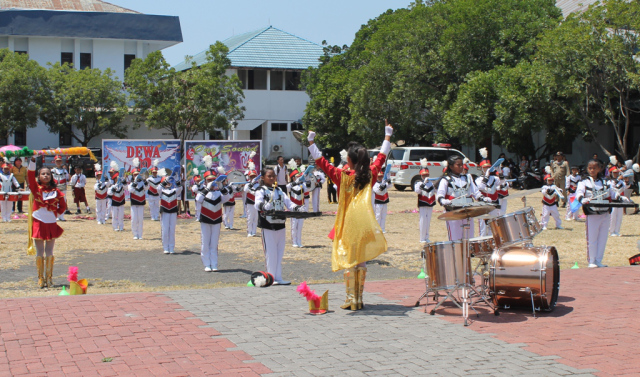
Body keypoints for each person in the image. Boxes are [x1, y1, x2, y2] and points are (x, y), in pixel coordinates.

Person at [307, 120, 392, 310]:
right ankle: (359, 299)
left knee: (348, 259)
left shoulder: (341, 175)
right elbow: (382, 157)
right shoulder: (370, 173)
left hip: (346, 224)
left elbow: (321, 162)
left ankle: (350, 298)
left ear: (350, 160)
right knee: (360, 259)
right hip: (364, 224)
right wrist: (387, 135)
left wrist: (311, 142)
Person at [254, 167, 303, 285]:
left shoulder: (279, 190)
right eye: (269, 176)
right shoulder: (261, 190)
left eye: (273, 176)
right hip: (268, 225)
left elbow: (288, 203)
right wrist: (264, 206)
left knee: (279, 252)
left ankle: (278, 277)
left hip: (280, 224)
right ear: (263, 178)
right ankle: (270, 278)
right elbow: (257, 203)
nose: (271, 178)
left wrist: (297, 208)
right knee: (270, 253)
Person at [576, 159, 625, 268]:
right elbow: (579, 193)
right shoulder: (584, 182)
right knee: (592, 238)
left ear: (600, 168)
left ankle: (598, 260)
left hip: (605, 213)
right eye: (590, 168)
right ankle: (592, 261)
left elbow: (612, 193)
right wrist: (582, 199)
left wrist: (621, 198)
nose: (592, 170)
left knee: (603, 238)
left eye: (594, 168)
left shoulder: (605, 182)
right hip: (592, 213)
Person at [27, 156, 66, 288]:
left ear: (51, 176)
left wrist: (55, 214)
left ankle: (49, 278)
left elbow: (63, 206)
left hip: (51, 223)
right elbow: (30, 175)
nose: (45, 176)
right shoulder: (36, 188)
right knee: (40, 251)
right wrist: (32, 161)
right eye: (43, 174)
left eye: (48, 174)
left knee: (49, 251)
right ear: (39, 176)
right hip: (38, 222)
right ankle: (40, 278)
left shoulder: (57, 191)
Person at [437, 155, 489, 241]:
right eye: (458, 165)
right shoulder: (445, 180)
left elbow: (476, 192)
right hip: (453, 213)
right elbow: (440, 195)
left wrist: (483, 198)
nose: (461, 167)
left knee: (469, 237)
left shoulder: (468, 178)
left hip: (468, 211)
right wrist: (444, 201)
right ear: (451, 166)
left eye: (462, 164)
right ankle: (457, 254)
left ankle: (468, 253)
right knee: (456, 238)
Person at [196, 174, 233, 271]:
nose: (212, 181)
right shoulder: (203, 192)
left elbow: (227, 198)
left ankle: (214, 263)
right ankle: (206, 264)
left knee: (214, 243)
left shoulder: (218, 193)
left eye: (213, 179)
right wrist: (207, 188)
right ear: (205, 181)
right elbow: (198, 199)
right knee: (205, 242)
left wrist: (221, 186)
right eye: (209, 180)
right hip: (205, 219)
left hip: (216, 219)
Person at [287, 169, 312, 247]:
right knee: (294, 226)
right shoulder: (291, 185)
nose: (299, 178)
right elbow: (286, 188)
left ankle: (299, 241)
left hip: (301, 207)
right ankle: (294, 241)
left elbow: (308, 189)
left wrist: (307, 180)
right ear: (293, 178)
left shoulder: (302, 185)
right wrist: (295, 183)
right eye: (297, 177)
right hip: (293, 208)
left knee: (300, 226)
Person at [475, 162, 500, 236]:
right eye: (485, 167)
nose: (487, 169)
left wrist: (500, 173)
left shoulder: (494, 178)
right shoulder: (478, 179)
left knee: (493, 227)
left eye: (488, 167)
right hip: (483, 206)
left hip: (493, 204)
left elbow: (503, 184)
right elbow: (480, 187)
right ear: (481, 168)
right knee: (483, 228)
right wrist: (486, 176)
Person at [414, 160, 435, 243]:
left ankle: (427, 236)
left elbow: (435, 190)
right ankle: (422, 238)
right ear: (421, 175)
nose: (425, 176)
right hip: (423, 203)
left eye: (426, 175)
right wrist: (423, 183)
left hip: (430, 203)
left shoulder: (431, 183)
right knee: (423, 220)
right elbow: (417, 191)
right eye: (424, 175)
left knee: (428, 220)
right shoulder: (418, 183)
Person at [160, 174, 182, 254]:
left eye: (170, 182)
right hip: (165, 212)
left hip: (173, 211)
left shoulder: (174, 190)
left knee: (172, 230)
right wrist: (166, 180)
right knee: (165, 230)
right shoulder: (161, 191)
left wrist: (176, 180)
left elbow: (180, 188)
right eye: (167, 182)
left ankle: (171, 247)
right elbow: (158, 188)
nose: (169, 183)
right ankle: (165, 247)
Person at [128, 168, 148, 240]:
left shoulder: (142, 183)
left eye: (137, 175)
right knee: (134, 219)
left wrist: (144, 180)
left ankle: (140, 234)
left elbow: (146, 188)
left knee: (140, 219)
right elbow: (131, 190)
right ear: (132, 176)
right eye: (135, 175)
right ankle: (135, 234)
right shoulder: (131, 184)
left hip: (141, 202)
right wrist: (135, 182)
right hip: (134, 203)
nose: (136, 176)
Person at [608, 166, 626, 237]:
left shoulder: (621, 181)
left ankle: (617, 231)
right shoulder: (609, 182)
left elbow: (625, 187)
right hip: (613, 201)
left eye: (617, 173)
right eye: (614, 173)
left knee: (619, 216)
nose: (616, 174)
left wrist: (626, 180)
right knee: (613, 217)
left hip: (619, 201)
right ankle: (611, 231)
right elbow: (612, 190)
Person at [51, 156, 70, 221]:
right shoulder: (53, 170)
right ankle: (56, 216)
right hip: (55, 188)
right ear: (55, 162)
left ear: (61, 162)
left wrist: (66, 183)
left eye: (59, 161)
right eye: (57, 161)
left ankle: (62, 216)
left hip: (63, 188)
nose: (58, 162)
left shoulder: (65, 170)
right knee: (55, 202)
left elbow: (67, 178)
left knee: (63, 201)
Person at [244, 167, 260, 237]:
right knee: (250, 218)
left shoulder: (258, 185)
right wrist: (251, 184)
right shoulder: (247, 184)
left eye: (254, 176)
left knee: (255, 218)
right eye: (251, 177)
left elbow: (257, 192)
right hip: (249, 203)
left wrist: (252, 189)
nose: (252, 178)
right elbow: (245, 190)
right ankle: (249, 231)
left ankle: (254, 231)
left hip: (256, 203)